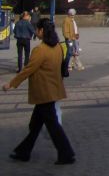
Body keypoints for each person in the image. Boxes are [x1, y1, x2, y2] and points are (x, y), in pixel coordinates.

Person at [2, 18, 76, 164]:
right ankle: (23, 151)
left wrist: (11, 84)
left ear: (42, 31)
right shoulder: (57, 47)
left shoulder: (40, 50)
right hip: (53, 89)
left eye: (37, 29)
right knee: (35, 125)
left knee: (52, 126)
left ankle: (66, 153)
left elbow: (28, 70)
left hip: (44, 92)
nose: (36, 31)